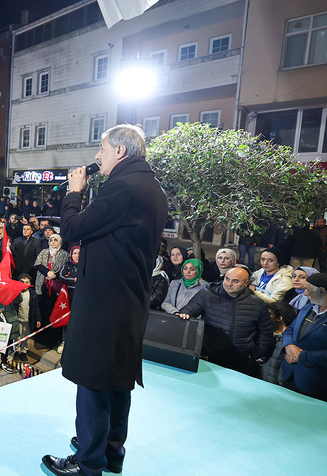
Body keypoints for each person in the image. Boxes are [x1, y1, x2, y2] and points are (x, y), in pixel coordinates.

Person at [43, 124, 168, 476]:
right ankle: (110, 451)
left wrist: (74, 193)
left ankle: (88, 462)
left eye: (102, 148)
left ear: (120, 151)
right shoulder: (150, 186)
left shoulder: (123, 187)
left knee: (94, 382)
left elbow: (72, 228)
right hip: (127, 300)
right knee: (116, 381)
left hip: (105, 303)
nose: (98, 156)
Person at [179, 267, 274, 377]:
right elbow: (187, 311)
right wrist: (184, 314)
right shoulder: (207, 294)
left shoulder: (257, 303)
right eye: (227, 279)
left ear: (246, 283)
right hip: (210, 357)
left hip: (241, 361)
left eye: (235, 281)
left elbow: (266, 332)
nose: (229, 284)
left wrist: (254, 354)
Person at [280, 272, 327, 401]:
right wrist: (289, 346)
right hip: (290, 375)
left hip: (316, 383)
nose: (305, 293)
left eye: (307, 289)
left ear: (322, 291)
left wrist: (302, 356)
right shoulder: (308, 307)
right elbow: (290, 329)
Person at [261, 301, 297, 385]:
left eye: (270, 314)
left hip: (275, 384)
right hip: (262, 378)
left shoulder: (290, 341)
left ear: (280, 318)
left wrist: (281, 379)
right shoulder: (268, 333)